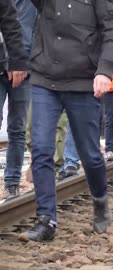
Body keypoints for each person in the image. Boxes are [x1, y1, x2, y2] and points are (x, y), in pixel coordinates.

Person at [18, 0, 113, 243]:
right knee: (41, 149)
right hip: (45, 77)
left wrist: (105, 70)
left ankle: (100, 200)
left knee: (89, 154)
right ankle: (47, 219)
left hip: (82, 81)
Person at [0, 0, 34, 199]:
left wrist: (23, 63)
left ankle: (12, 182)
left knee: (18, 128)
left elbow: (35, 32)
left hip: (24, 69)